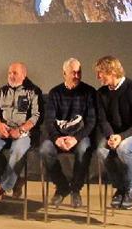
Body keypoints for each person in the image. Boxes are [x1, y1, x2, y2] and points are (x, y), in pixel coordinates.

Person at [94, 56, 132, 210]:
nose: (98, 77)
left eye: (100, 73)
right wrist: (111, 136)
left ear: (112, 71)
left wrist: (121, 137)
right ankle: (120, 188)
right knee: (101, 150)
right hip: (115, 137)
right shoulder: (101, 93)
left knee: (123, 148)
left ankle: (130, 191)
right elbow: (103, 120)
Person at [40, 58, 96, 208]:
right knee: (45, 150)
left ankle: (76, 189)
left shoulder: (89, 92)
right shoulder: (55, 92)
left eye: (79, 72)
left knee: (84, 150)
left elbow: (91, 122)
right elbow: (49, 121)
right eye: (73, 73)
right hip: (59, 136)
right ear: (64, 73)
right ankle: (62, 186)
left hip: (80, 136)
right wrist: (57, 138)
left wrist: (75, 138)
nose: (77, 76)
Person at [0, 62, 41, 199]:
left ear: (24, 75)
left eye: (15, 73)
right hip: (4, 130)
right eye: (9, 73)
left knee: (18, 151)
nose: (11, 76)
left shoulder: (33, 91)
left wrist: (20, 130)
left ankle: (4, 187)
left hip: (23, 132)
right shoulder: (2, 91)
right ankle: (14, 181)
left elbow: (36, 116)